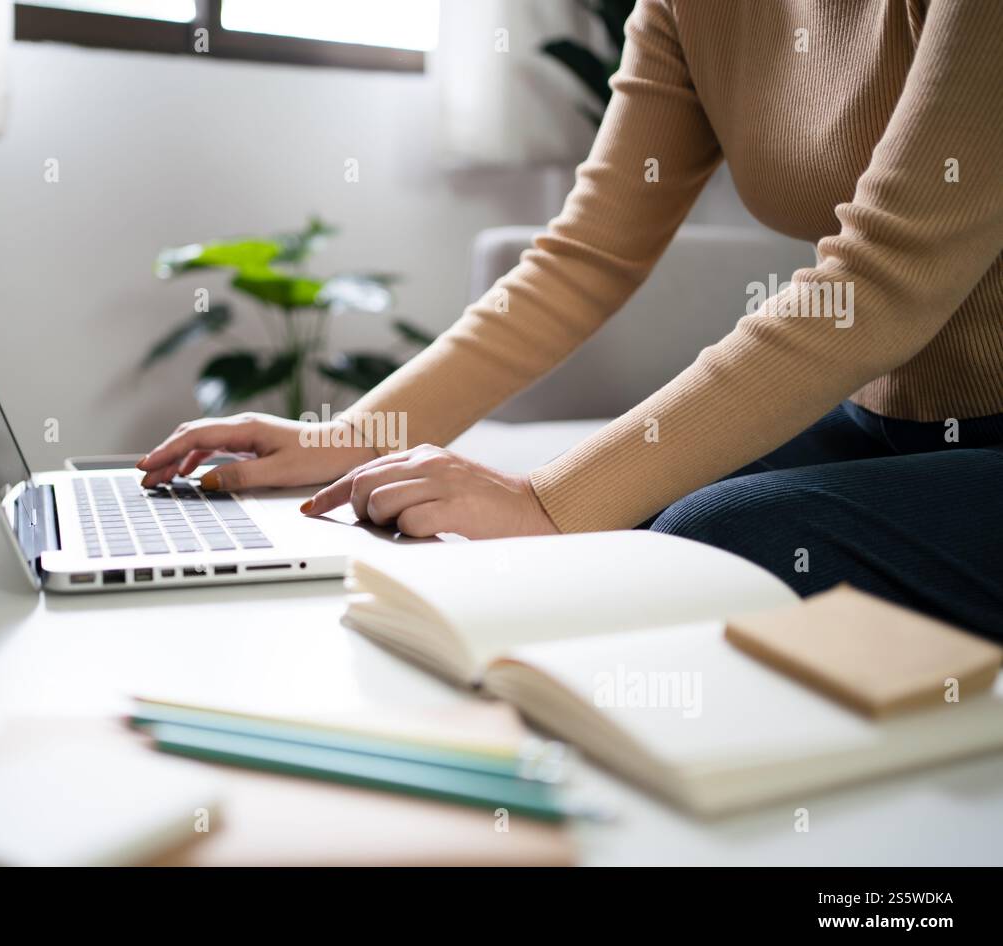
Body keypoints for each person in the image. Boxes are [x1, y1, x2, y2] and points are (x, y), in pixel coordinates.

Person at [138, 0, 1003, 638]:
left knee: (713, 535)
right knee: (633, 515)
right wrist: (354, 434)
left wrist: (548, 500)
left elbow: (884, 278)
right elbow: (589, 252)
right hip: (888, 422)